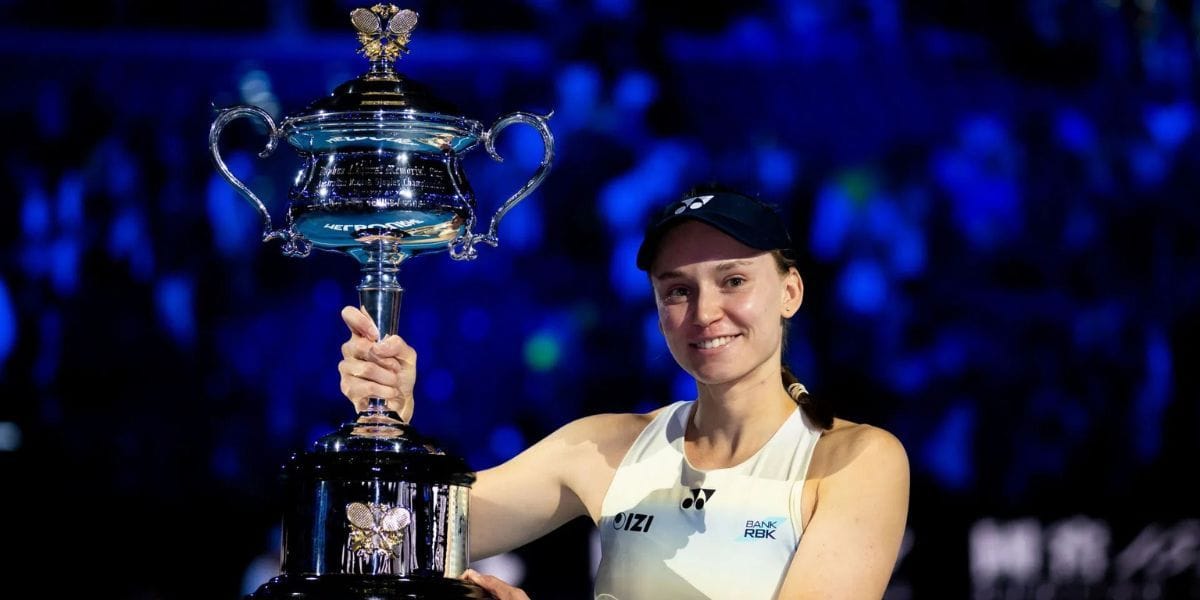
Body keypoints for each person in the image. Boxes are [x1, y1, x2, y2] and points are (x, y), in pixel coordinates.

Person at [337, 186, 910, 599]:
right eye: (677, 290)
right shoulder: (604, 447)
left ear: (790, 292)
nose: (705, 312)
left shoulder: (857, 461)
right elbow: (395, 534)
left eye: (733, 280)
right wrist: (387, 425)